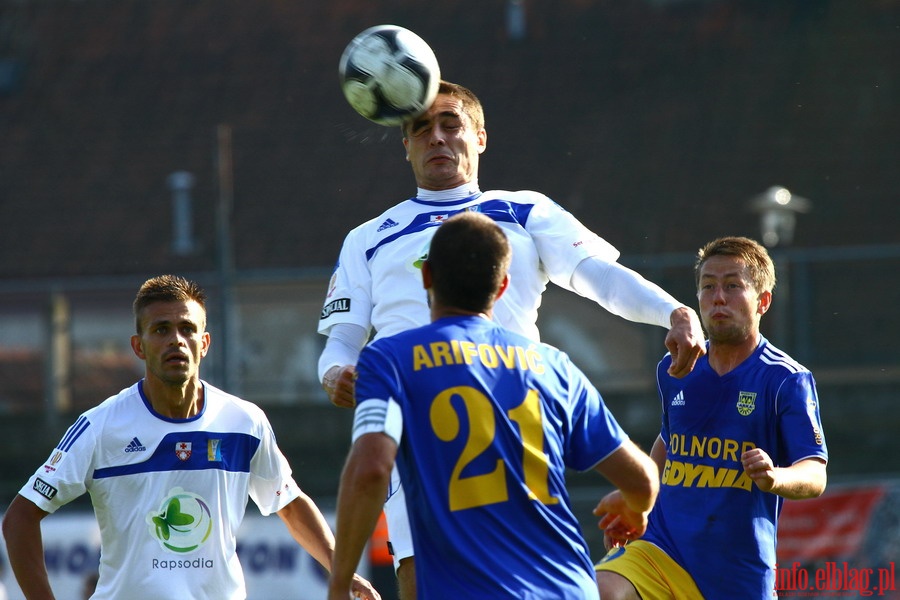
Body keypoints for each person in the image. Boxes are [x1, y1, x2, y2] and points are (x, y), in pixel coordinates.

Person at [318, 79, 706, 598]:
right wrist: (336, 374)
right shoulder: (367, 238)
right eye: (420, 128)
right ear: (404, 145)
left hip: (518, 414)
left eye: (450, 124)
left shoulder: (524, 211)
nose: (436, 137)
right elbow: (339, 343)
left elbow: (599, 277)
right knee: (422, 575)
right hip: (415, 432)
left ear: (480, 136)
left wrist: (672, 311)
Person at [327, 212, 660, 599]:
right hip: (567, 588)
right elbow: (643, 480)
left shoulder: (390, 359)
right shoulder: (553, 365)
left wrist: (338, 584)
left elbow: (370, 471)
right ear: (502, 286)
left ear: (427, 277)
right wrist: (635, 506)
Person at [1, 275, 379, 600]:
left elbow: (289, 504)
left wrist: (340, 571)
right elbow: (20, 517)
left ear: (205, 343)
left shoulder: (244, 421)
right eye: (161, 330)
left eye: (187, 329)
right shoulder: (100, 426)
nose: (176, 340)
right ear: (139, 345)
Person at [594, 236, 828, 599]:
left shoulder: (786, 379)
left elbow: (815, 473)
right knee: (599, 590)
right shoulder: (676, 368)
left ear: (762, 301)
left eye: (733, 286)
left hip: (734, 575)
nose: (718, 297)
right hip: (661, 547)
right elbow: (670, 440)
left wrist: (774, 477)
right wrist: (637, 495)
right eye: (708, 286)